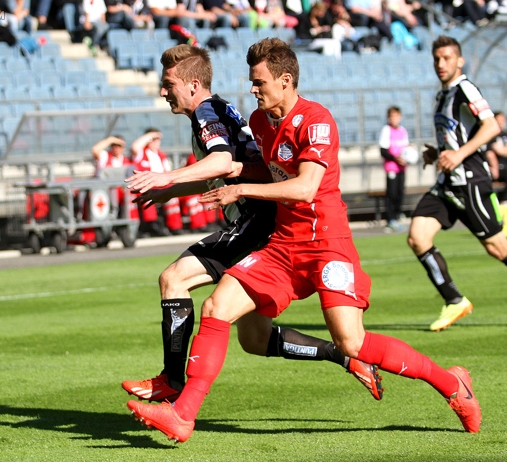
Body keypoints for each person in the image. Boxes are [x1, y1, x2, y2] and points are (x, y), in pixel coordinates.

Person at [127, 38, 481, 443]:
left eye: (259, 82)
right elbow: (262, 170)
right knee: (217, 306)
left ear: (286, 79)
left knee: (351, 341)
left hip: (327, 243)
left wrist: (241, 191)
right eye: (250, 82)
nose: (253, 90)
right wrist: (232, 178)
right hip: (282, 245)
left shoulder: (317, 119)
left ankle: (453, 385)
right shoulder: (261, 123)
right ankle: (183, 415)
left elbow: (305, 188)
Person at [122, 44, 383, 407]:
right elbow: (230, 167)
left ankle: (172, 382)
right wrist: (176, 190)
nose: (164, 92)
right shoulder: (220, 109)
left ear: (193, 85)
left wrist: (165, 178)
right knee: (255, 340)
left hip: (255, 222)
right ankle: (346, 357)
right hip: (262, 220)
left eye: (169, 84)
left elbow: (222, 162)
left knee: (174, 278)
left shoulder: (206, 113)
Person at [407, 36, 507, 332]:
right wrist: (436, 153)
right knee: (417, 236)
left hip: (471, 181)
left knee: (497, 248)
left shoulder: (465, 88)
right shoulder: (443, 95)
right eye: (437, 58)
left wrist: (459, 154)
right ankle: (454, 300)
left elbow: (492, 126)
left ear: (459, 61)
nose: (441, 64)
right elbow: (455, 138)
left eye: (447, 58)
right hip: (447, 183)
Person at [379, 106, 409, 233]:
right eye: (392, 116)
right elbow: (383, 150)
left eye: (396, 116)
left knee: (400, 193)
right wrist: (396, 159)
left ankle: (397, 217)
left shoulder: (403, 130)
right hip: (392, 168)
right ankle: (390, 219)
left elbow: (406, 149)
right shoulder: (386, 130)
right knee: (391, 194)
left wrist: (406, 158)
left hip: (402, 168)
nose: (394, 119)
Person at [485, 111, 507, 203]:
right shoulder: (490, 135)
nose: (500, 122)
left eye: (502, 120)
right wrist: (495, 167)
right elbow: (493, 152)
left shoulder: (504, 134)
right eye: (498, 120)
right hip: (498, 170)